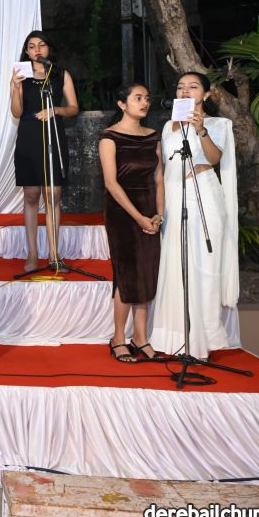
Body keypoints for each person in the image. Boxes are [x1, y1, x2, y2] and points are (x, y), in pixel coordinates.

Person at [151, 72, 239, 360]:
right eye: (180, 87)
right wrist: (160, 208)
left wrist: (201, 130)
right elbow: (163, 170)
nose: (185, 91)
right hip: (175, 199)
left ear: (206, 94)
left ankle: (204, 339)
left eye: (193, 87)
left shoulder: (218, 124)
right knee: (177, 264)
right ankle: (176, 337)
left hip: (205, 197)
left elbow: (214, 159)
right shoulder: (168, 126)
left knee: (203, 264)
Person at [98, 83, 163, 362]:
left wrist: (159, 214)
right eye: (137, 98)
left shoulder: (153, 136)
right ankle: (118, 338)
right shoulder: (109, 137)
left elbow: (159, 178)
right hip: (122, 213)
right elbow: (111, 183)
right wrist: (138, 217)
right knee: (127, 273)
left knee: (146, 271)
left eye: (147, 98)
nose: (144, 102)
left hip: (150, 209)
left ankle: (140, 337)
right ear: (122, 104)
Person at [10, 31, 79, 271]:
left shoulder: (60, 74)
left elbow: (73, 108)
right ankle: (31, 254)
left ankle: (54, 254)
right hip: (28, 136)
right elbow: (16, 112)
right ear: (26, 51)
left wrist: (55, 111)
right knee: (31, 195)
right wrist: (14, 87)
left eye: (41, 45)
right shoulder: (21, 74)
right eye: (31, 46)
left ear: (48, 48)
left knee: (53, 195)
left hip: (54, 135)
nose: (37, 49)